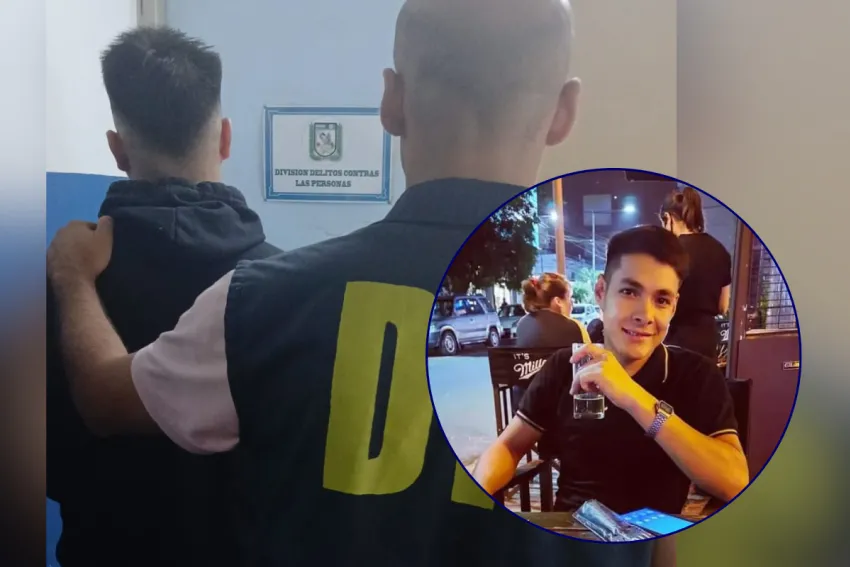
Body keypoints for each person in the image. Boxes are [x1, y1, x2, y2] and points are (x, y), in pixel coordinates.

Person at [46, 1, 667, 565]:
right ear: (564, 112)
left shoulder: (260, 303)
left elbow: (103, 398)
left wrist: (73, 277)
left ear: (391, 101)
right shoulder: (653, 379)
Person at [46, 27, 281, 567]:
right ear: (225, 138)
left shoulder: (64, 283)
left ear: (117, 149)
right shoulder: (282, 285)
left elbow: (48, 462)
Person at [472, 226, 749, 515]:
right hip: (570, 530)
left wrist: (633, 397)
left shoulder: (695, 374)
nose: (645, 315)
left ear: (673, 307)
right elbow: (508, 447)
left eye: (662, 300)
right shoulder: (567, 365)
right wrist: (471, 498)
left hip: (652, 535)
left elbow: (734, 482)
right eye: (629, 291)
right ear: (601, 292)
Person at [660, 186, 733, 361]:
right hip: (707, 340)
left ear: (668, 218)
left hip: (675, 340)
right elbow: (723, 306)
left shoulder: (669, 250)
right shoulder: (720, 250)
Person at [515, 272, 590, 348]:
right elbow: (589, 354)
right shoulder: (575, 327)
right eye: (569, 297)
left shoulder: (522, 325)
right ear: (558, 301)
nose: (572, 302)